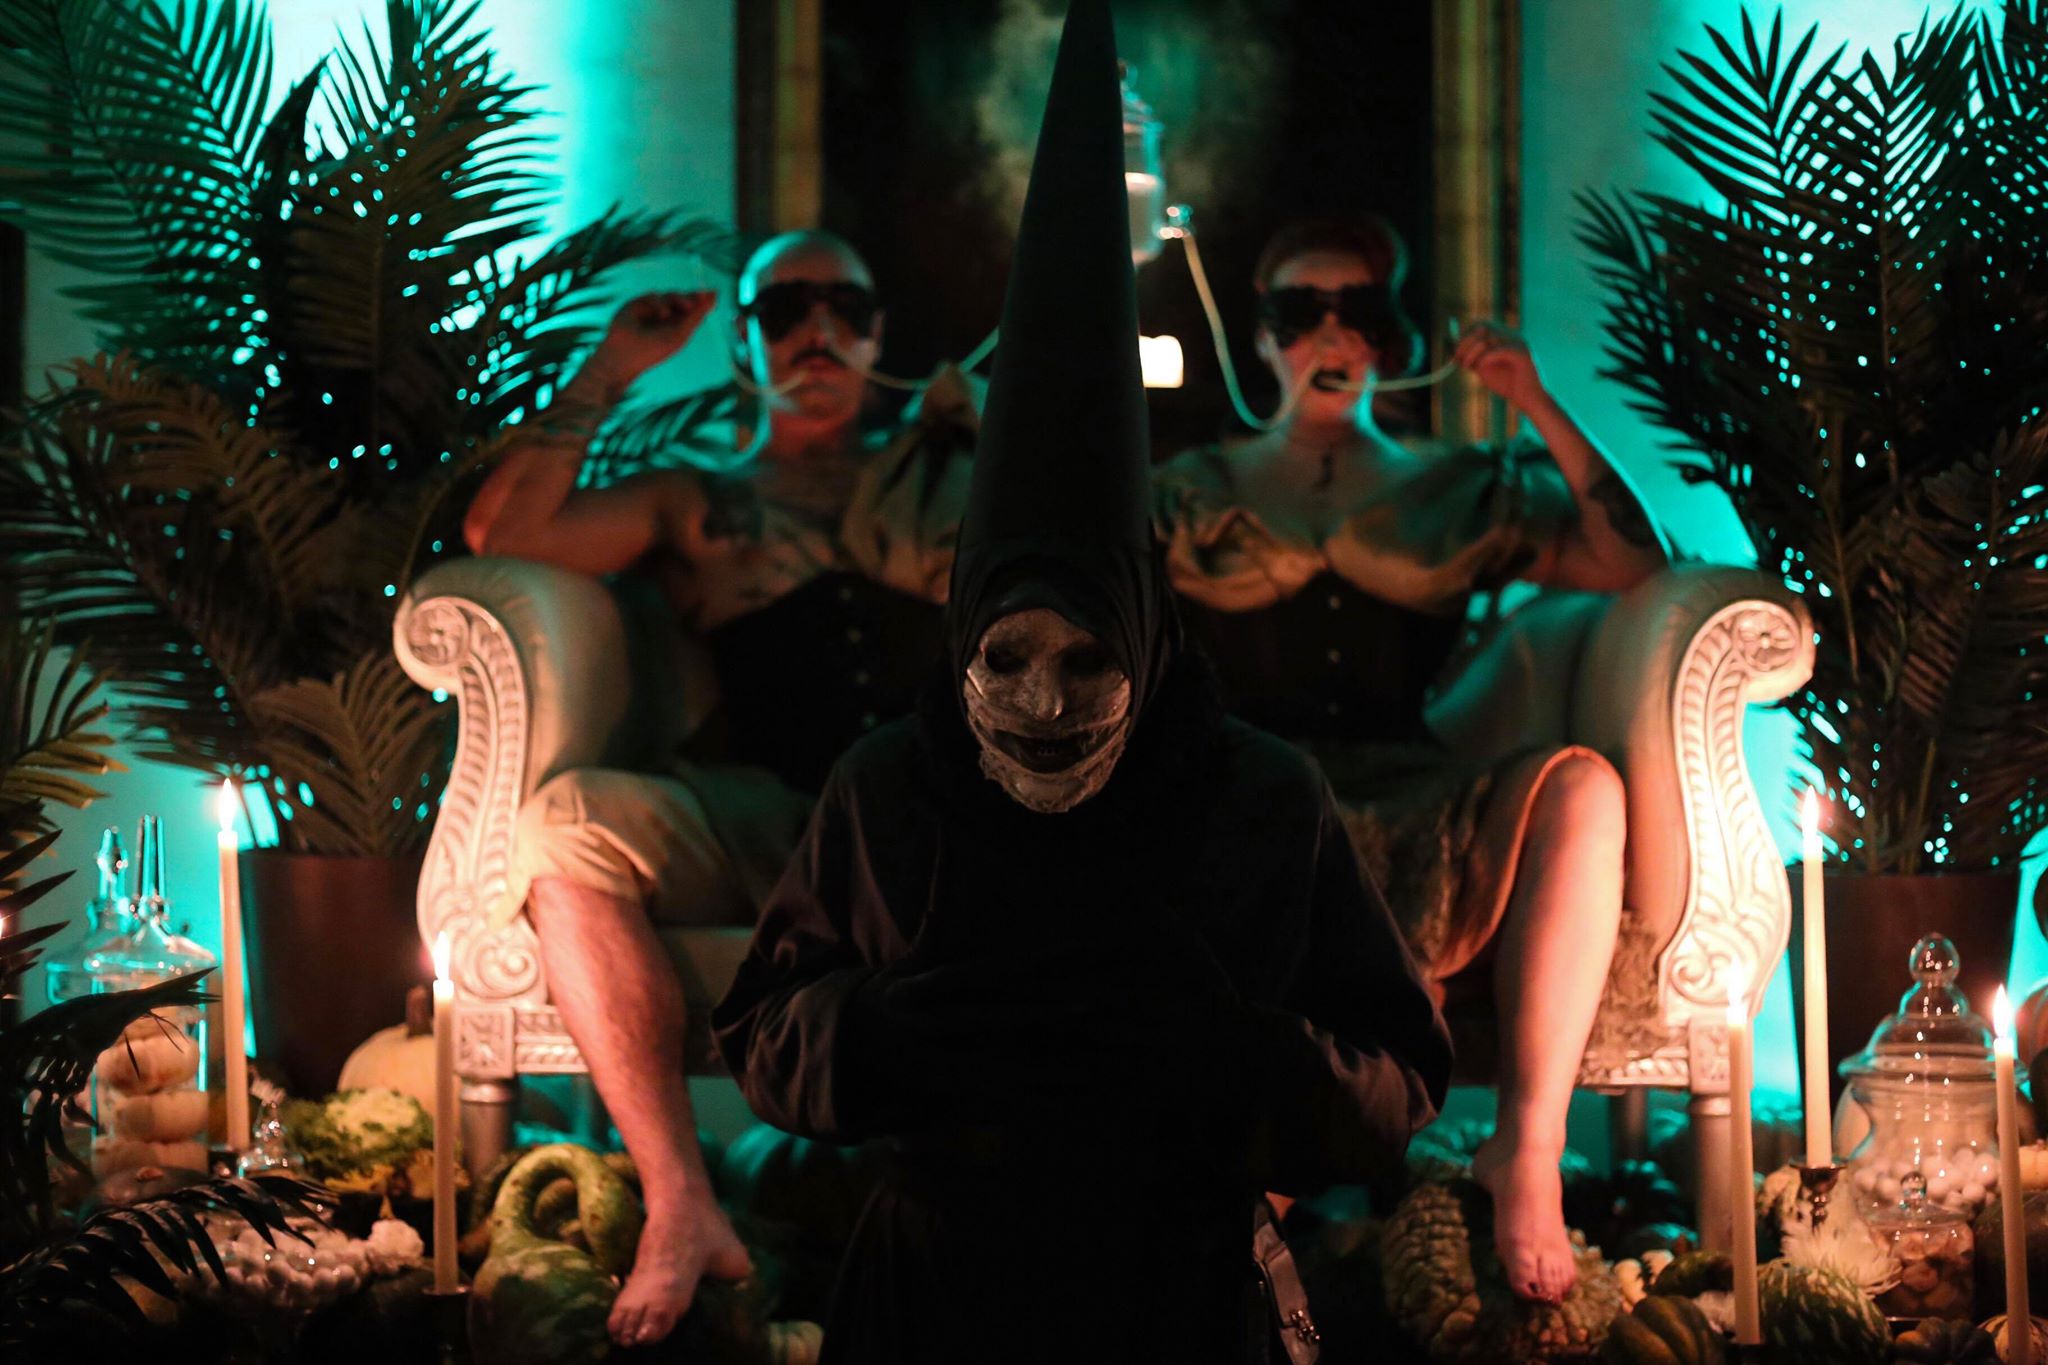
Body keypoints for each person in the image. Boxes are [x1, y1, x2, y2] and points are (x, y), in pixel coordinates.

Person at [714, 5, 1451, 1360]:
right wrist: (894, 1032)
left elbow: (1398, 1077)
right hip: (931, 1302)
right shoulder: (889, 788)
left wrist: (1230, 1051)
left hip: (1179, 1298)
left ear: (1146, 649)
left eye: (1084, 659)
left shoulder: (1260, 798)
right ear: (960, 646)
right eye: (1007, 658)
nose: (1043, 704)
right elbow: (761, 1031)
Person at [462, 232, 974, 1346]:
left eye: (845, 307)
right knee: (561, 826)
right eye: (785, 308)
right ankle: (679, 1198)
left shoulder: (950, 480)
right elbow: (503, 532)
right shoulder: (700, 498)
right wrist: (609, 369)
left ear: (881, 333)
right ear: (745, 342)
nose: (817, 330)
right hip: (765, 817)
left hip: (943, 823)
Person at [1154, 213, 1671, 1302]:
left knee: (1583, 785)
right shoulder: (1191, 484)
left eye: (1358, 310)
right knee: (1245, 821)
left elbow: (1634, 564)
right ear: (1264, 338)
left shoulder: (1457, 487)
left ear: (1390, 339)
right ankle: (1243, 1193)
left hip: (1410, 788)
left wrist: (1532, 400)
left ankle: (1525, 1147)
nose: (1330, 334)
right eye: (1301, 311)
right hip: (1246, 794)